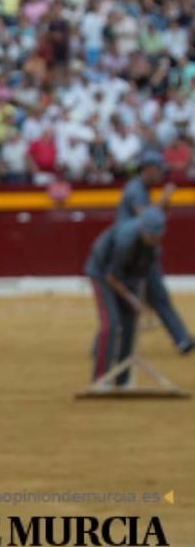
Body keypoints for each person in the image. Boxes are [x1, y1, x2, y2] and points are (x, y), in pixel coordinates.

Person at [115, 151, 193, 355]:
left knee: (150, 298)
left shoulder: (141, 188)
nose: (162, 175)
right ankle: (182, 339)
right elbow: (147, 219)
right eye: (159, 170)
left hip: (138, 253)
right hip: (132, 254)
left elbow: (156, 216)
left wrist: (164, 201)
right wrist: (165, 197)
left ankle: (182, 339)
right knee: (152, 298)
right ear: (149, 169)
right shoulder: (136, 190)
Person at [84, 207, 168, 387]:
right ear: (143, 230)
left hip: (125, 276)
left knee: (130, 323)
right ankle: (100, 379)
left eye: (158, 236)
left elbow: (142, 276)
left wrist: (143, 302)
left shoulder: (153, 246)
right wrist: (132, 299)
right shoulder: (125, 240)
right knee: (112, 323)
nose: (155, 240)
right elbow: (111, 277)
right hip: (101, 273)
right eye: (152, 236)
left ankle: (122, 378)